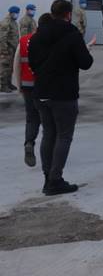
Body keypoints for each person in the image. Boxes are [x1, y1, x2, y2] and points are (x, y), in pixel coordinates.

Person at [28, 0, 94, 195]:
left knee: (48, 134)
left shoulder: (37, 35)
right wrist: (86, 50)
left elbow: (32, 62)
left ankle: (48, 177)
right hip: (64, 94)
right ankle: (55, 180)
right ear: (67, 14)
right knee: (64, 136)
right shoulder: (72, 34)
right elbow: (85, 63)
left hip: (40, 92)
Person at [13, 13, 52, 167]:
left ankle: (29, 142)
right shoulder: (50, 41)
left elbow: (17, 65)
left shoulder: (23, 41)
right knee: (49, 119)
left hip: (27, 86)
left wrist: (19, 85)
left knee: (31, 117)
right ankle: (49, 152)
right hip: (45, 87)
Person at [0, 6, 21, 92]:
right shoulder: (6, 22)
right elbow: (2, 37)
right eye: (16, 13)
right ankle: (3, 86)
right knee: (5, 67)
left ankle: (8, 83)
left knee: (10, 68)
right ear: (12, 13)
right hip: (7, 50)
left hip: (12, 49)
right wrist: (4, 50)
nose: (17, 15)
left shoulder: (13, 22)